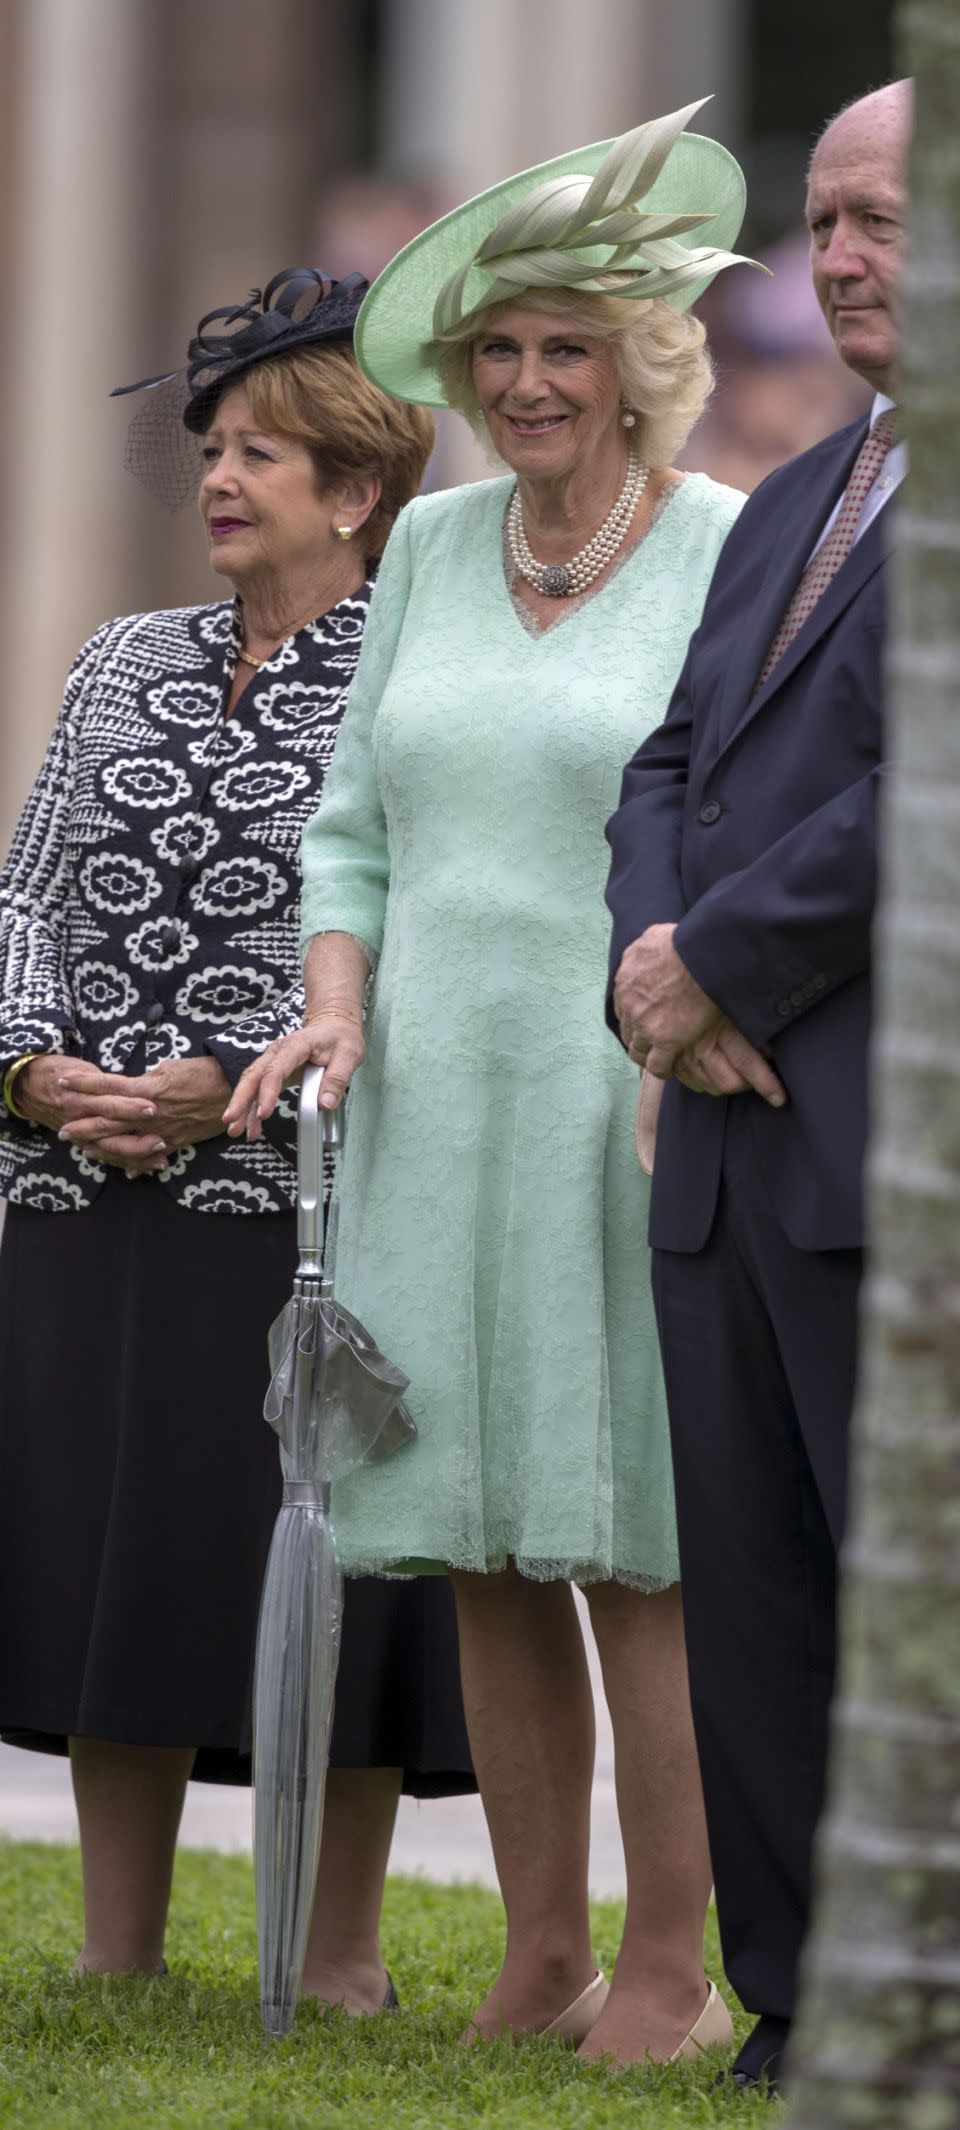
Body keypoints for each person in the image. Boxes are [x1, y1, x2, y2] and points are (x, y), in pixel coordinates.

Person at [226, 105, 755, 2066]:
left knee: (639, 1542)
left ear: (639, 362)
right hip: (434, 1101)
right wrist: (339, 1005)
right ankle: (538, 1956)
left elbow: (749, 821)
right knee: (478, 1541)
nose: (528, 383)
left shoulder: (723, 549)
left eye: (568, 346)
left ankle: (676, 1970)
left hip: (629, 1100)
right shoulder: (434, 546)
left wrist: (687, 1029)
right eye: (501, 351)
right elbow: (351, 829)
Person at [0, 268, 475, 2006]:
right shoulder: (121, 659)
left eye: (262, 453)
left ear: (355, 490)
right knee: (106, 1552)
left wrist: (223, 1071)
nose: (219, 477)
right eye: (212, 447)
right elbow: (26, 894)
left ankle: (338, 1954)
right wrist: (29, 1066)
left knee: (332, 1568)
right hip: (78, 1182)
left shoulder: (413, 679)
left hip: (309, 1194)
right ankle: (113, 1945)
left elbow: (420, 923)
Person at [604, 82, 911, 2092]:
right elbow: (664, 762)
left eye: (891, 216)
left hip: (886, 1151)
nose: (849, 254)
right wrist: (653, 966)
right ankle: (791, 2003)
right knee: (757, 1608)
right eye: (829, 219)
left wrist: (724, 955)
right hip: (719, 1151)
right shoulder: (798, 487)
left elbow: (935, 782)